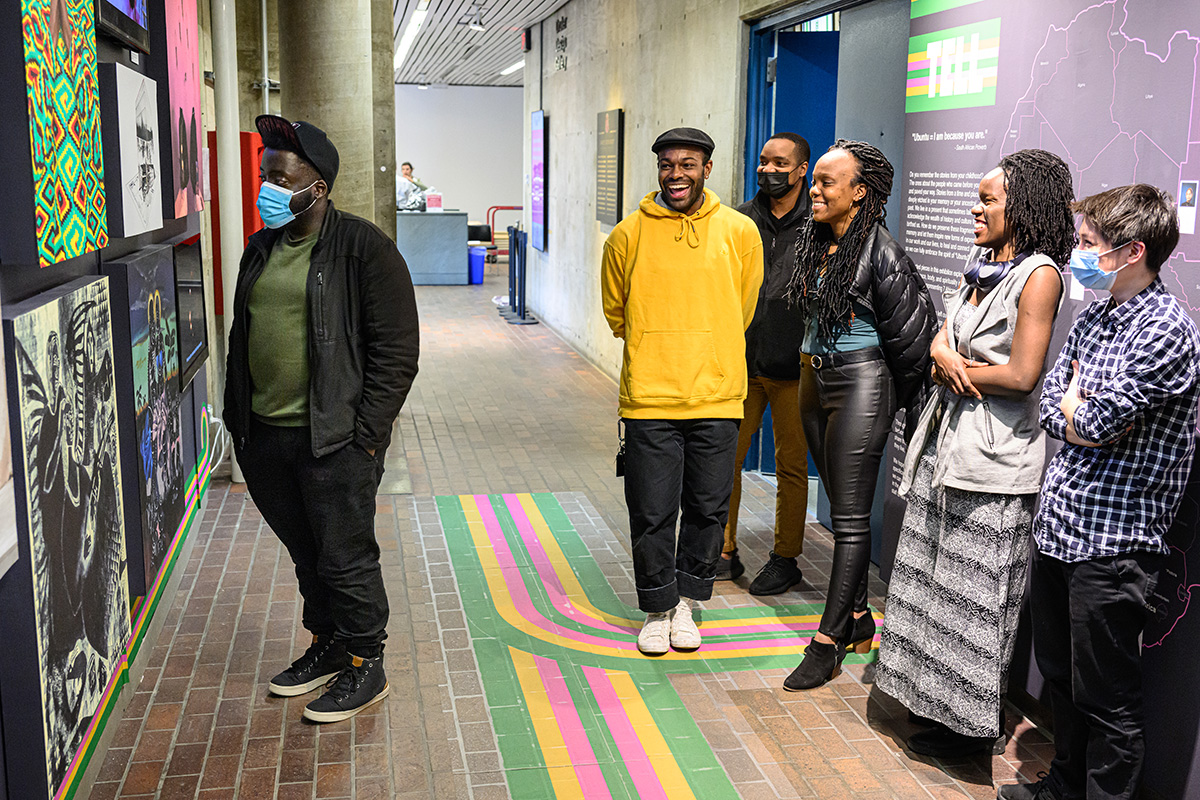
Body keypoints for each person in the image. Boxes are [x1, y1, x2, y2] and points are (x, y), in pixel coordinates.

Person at [999, 185, 1200, 800]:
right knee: (1062, 679)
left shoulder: (1167, 332)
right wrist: (1076, 405)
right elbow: (1056, 406)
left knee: (1109, 699)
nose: (1075, 255)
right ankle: (1063, 786)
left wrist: (1078, 409)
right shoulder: (1098, 311)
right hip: (1061, 528)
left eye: (1087, 244)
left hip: (1113, 547)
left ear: (1132, 250)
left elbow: (1090, 422)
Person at [874, 150, 1075, 758]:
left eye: (987, 199)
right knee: (932, 584)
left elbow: (1022, 374)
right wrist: (942, 354)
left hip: (993, 462)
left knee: (974, 600)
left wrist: (958, 367)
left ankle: (964, 731)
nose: (975, 209)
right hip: (946, 447)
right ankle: (926, 705)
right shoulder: (983, 263)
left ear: (1023, 205)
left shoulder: (1040, 274)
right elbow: (943, 330)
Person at [224, 115, 420, 722]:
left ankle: (367, 661)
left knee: (345, 555)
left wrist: (367, 437)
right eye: (265, 176)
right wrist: (238, 422)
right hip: (264, 437)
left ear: (319, 186)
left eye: (282, 177)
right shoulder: (261, 248)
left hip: (334, 440)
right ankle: (329, 644)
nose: (269, 188)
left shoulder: (364, 248)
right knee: (307, 553)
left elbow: (397, 352)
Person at [601, 127, 763, 655]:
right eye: (668, 164)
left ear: (707, 169)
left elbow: (743, 308)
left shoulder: (739, 232)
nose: (676, 174)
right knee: (650, 511)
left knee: (708, 508)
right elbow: (616, 313)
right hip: (649, 397)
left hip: (717, 396)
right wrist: (659, 343)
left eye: (688, 164)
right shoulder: (627, 235)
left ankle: (689, 604)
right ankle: (656, 608)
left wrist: (708, 346)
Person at [781, 139, 936, 691]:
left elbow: (913, 342)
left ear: (860, 192)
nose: (814, 190)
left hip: (861, 383)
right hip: (812, 378)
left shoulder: (883, 252)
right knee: (839, 499)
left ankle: (828, 641)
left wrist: (908, 409)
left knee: (848, 518)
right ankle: (860, 619)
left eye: (826, 182)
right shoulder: (817, 242)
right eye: (815, 180)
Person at [717, 132, 811, 595]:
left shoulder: (819, 222)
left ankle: (785, 557)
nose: (767, 171)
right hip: (742, 364)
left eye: (779, 163)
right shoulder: (738, 220)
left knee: (791, 466)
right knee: (725, 460)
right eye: (762, 162)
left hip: (796, 371)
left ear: (801, 170)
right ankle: (723, 550)